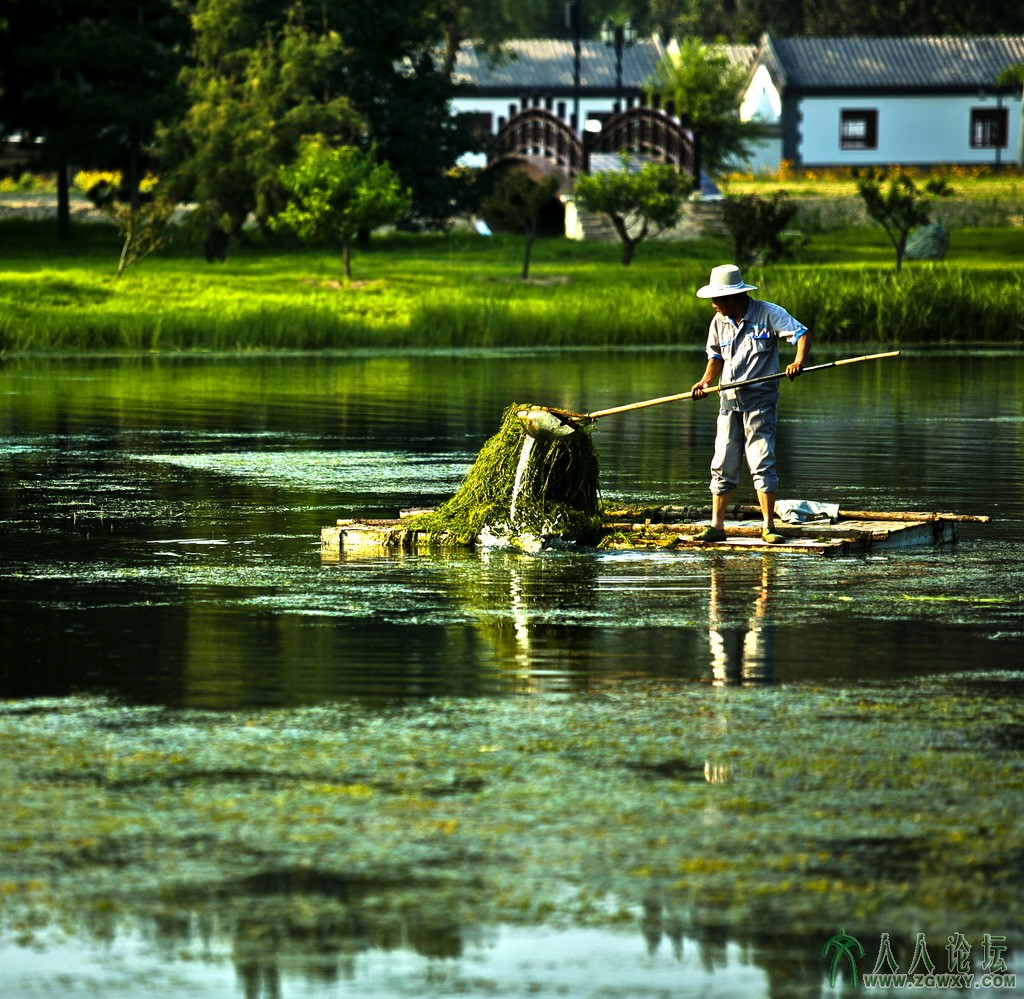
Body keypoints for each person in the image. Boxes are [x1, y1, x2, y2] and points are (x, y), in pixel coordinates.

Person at [689, 264, 812, 544]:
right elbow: (716, 357)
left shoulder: (769, 314)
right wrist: (705, 381)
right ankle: (717, 526)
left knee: (761, 460)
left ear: (733, 297)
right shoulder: (718, 322)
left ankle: (768, 526)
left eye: (717, 300)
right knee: (722, 461)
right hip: (729, 402)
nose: (713, 306)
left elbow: (802, 334)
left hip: (760, 402)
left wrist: (797, 362)